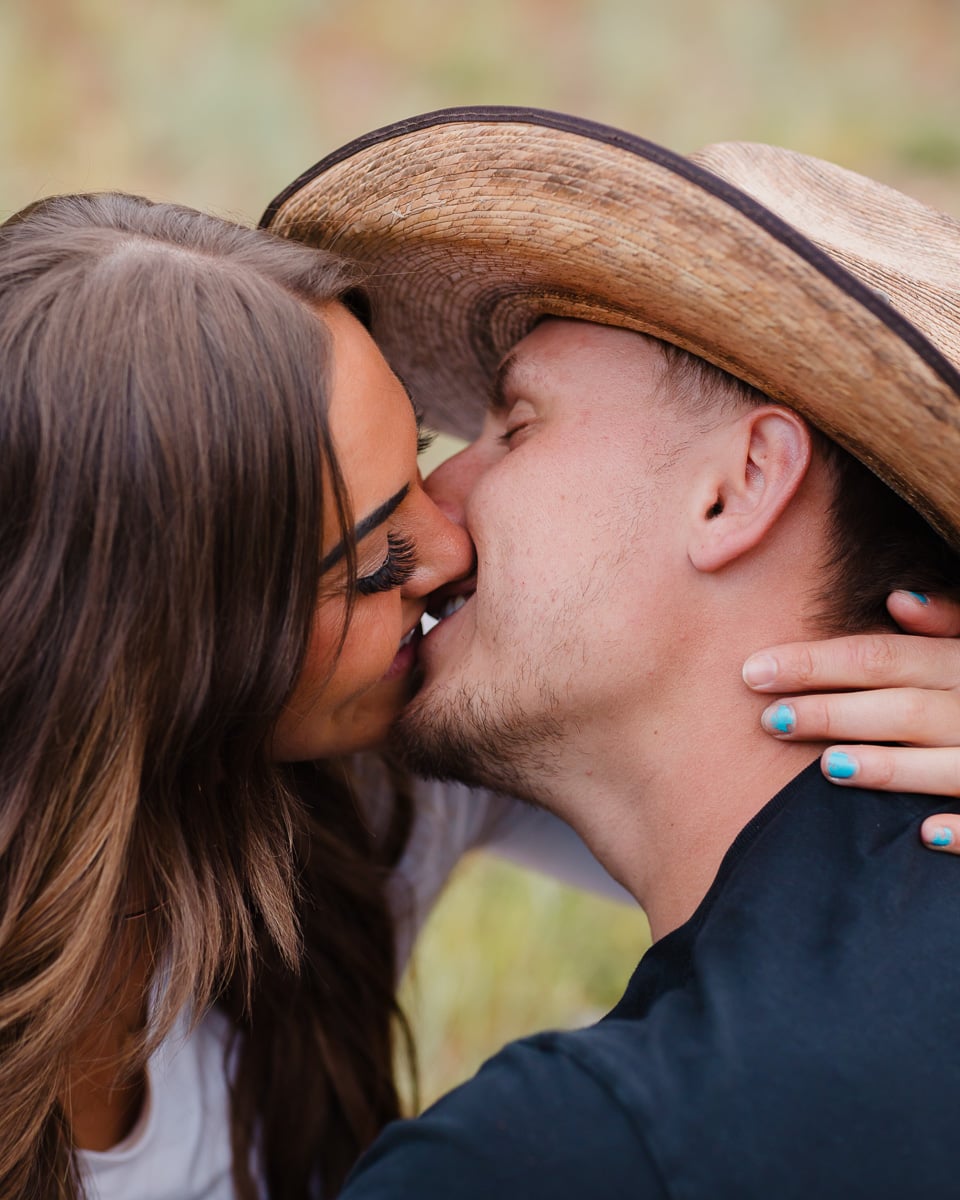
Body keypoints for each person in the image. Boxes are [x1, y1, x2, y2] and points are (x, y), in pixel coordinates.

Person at [0, 145, 955, 1200]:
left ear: (740, 488)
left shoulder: (380, 784)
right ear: (174, 653)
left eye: (506, 426)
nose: (446, 539)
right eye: (377, 559)